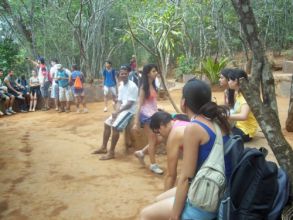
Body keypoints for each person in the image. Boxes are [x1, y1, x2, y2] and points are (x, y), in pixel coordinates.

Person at [140, 79, 232, 220]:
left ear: (184, 102)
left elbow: (184, 178)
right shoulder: (216, 121)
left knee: (145, 215)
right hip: (216, 189)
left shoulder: (193, 128)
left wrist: (175, 215)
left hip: (205, 200)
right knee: (158, 200)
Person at [92, 65, 138, 160]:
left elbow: (129, 104)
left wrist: (118, 112)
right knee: (107, 123)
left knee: (115, 127)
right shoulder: (121, 86)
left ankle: (111, 152)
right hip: (122, 110)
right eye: (122, 74)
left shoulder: (133, 86)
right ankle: (104, 147)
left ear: (128, 74)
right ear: (119, 75)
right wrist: (116, 112)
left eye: (125, 73)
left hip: (129, 111)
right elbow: (119, 101)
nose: (124, 75)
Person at [133, 64, 163, 175]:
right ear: (147, 73)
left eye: (156, 71)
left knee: (159, 139)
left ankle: (141, 152)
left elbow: (153, 102)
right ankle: (153, 165)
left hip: (154, 115)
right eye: (154, 71)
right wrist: (136, 122)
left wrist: (158, 109)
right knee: (152, 140)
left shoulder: (154, 85)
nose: (156, 73)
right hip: (146, 116)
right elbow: (139, 105)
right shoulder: (143, 88)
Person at [149, 111, 190, 190]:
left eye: (158, 132)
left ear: (161, 126)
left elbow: (171, 175)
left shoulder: (174, 135)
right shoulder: (178, 122)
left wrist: (164, 196)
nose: (160, 135)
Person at [227, 69, 258, 142]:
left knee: (223, 137)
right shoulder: (239, 93)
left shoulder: (246, 97)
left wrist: (225, 115)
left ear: (236, 81)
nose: (228, 82)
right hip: (239, 126)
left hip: (246, 131)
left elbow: (244, 116)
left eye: (229, 80)